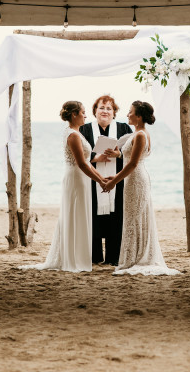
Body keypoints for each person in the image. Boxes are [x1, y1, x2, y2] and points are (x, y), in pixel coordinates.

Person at [20, 101, 109, 273]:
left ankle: (78, 255)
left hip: (81, 177)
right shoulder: (73, 135)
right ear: (74, 114)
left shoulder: (76, 133)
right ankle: (74, 258)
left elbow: (87, 163)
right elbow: (82, 164)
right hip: (76, 178)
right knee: (75, 214)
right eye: (83, 112)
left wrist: (101, 179)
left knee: (80, 214)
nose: (85, 115)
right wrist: (100, 181)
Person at [102, 101, 179, 276]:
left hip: (136, 178)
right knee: (133, 216)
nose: (127, 115)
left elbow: (134, 163)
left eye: (130, 112)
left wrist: (114, 181)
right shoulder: (138, 133)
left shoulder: (141, 135)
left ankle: (136, 258)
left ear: (138, 116)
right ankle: (133, 256)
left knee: (135, 217)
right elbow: (131, 157)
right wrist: (118, 156)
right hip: (133, 178)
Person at [79, 95, 133, 266]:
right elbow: (79, 155)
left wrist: (119, 154)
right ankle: (94, 257)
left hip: (117, 180)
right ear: (95, 111)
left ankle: (113, 257)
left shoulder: (124, 128)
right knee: (92, 217)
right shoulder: (84, 130)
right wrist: (96, 157)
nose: (105, 111)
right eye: (101, 108)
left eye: (109, 108)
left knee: (115, 218)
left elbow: (132, 153)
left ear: (114, 113)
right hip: (91, 180)